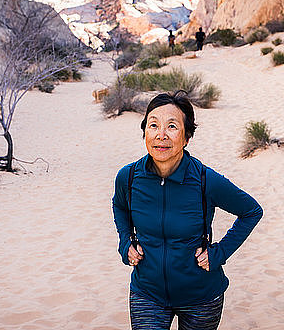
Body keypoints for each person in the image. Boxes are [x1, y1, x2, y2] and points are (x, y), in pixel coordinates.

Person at [112, 91, 263, 330]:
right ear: (145, 133)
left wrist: (219, 253)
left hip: (201, 298)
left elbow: (251, 211)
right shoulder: (128, 177)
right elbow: (119, 206)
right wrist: (126, 242)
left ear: (186, 137)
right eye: (153, 125)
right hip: (147, 294)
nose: (161, 135)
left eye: (172, 126)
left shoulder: (205, 179)